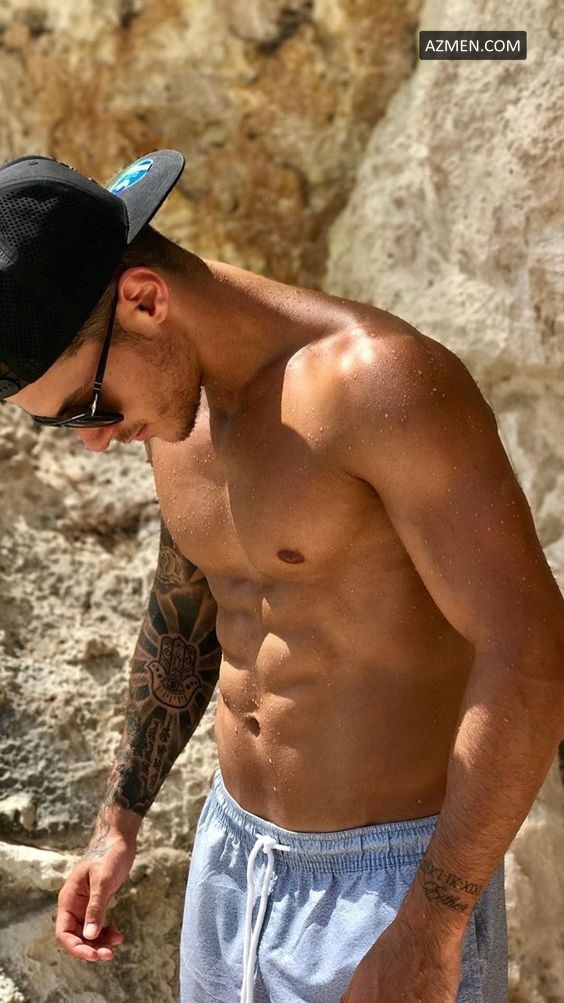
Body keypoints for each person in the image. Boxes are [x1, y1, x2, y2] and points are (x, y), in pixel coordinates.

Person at [1, 149, 563, 1003]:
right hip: (231, 864)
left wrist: (431, 926)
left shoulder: (376, 386)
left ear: (145, 300)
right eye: (61, 423)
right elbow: (189, 603)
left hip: (387, 891)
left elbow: (530, 649)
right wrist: (120, 817)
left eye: (88, 405)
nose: (94, 438)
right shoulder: (177, 413)